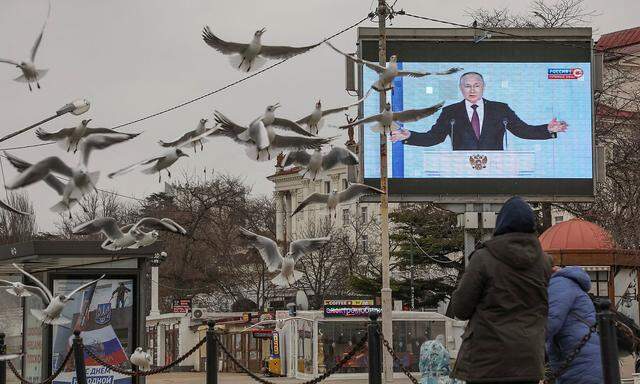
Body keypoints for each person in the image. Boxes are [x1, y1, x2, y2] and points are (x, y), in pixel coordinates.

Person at [450, 196, 553, 383]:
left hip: (487, 362)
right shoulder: (545, 263)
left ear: (501, 224)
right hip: (529, 361)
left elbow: (461, 309)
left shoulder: (483, 258)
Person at [390, 72, 568, 150]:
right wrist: (410, 136)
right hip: (460, 172)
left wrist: (547, 129)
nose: (472, 90)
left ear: (484, 87)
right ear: (461, 88)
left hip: (495, 171)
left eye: (476, 85)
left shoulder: (500, 109)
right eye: (467, 86)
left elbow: (522, 130)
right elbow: (434, 138)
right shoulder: (450, 112)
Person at [546, 266, 603, 383]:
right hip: (582, 359)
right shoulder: (567, 284)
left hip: (578, 360)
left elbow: (551, 321)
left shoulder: (559, 284)